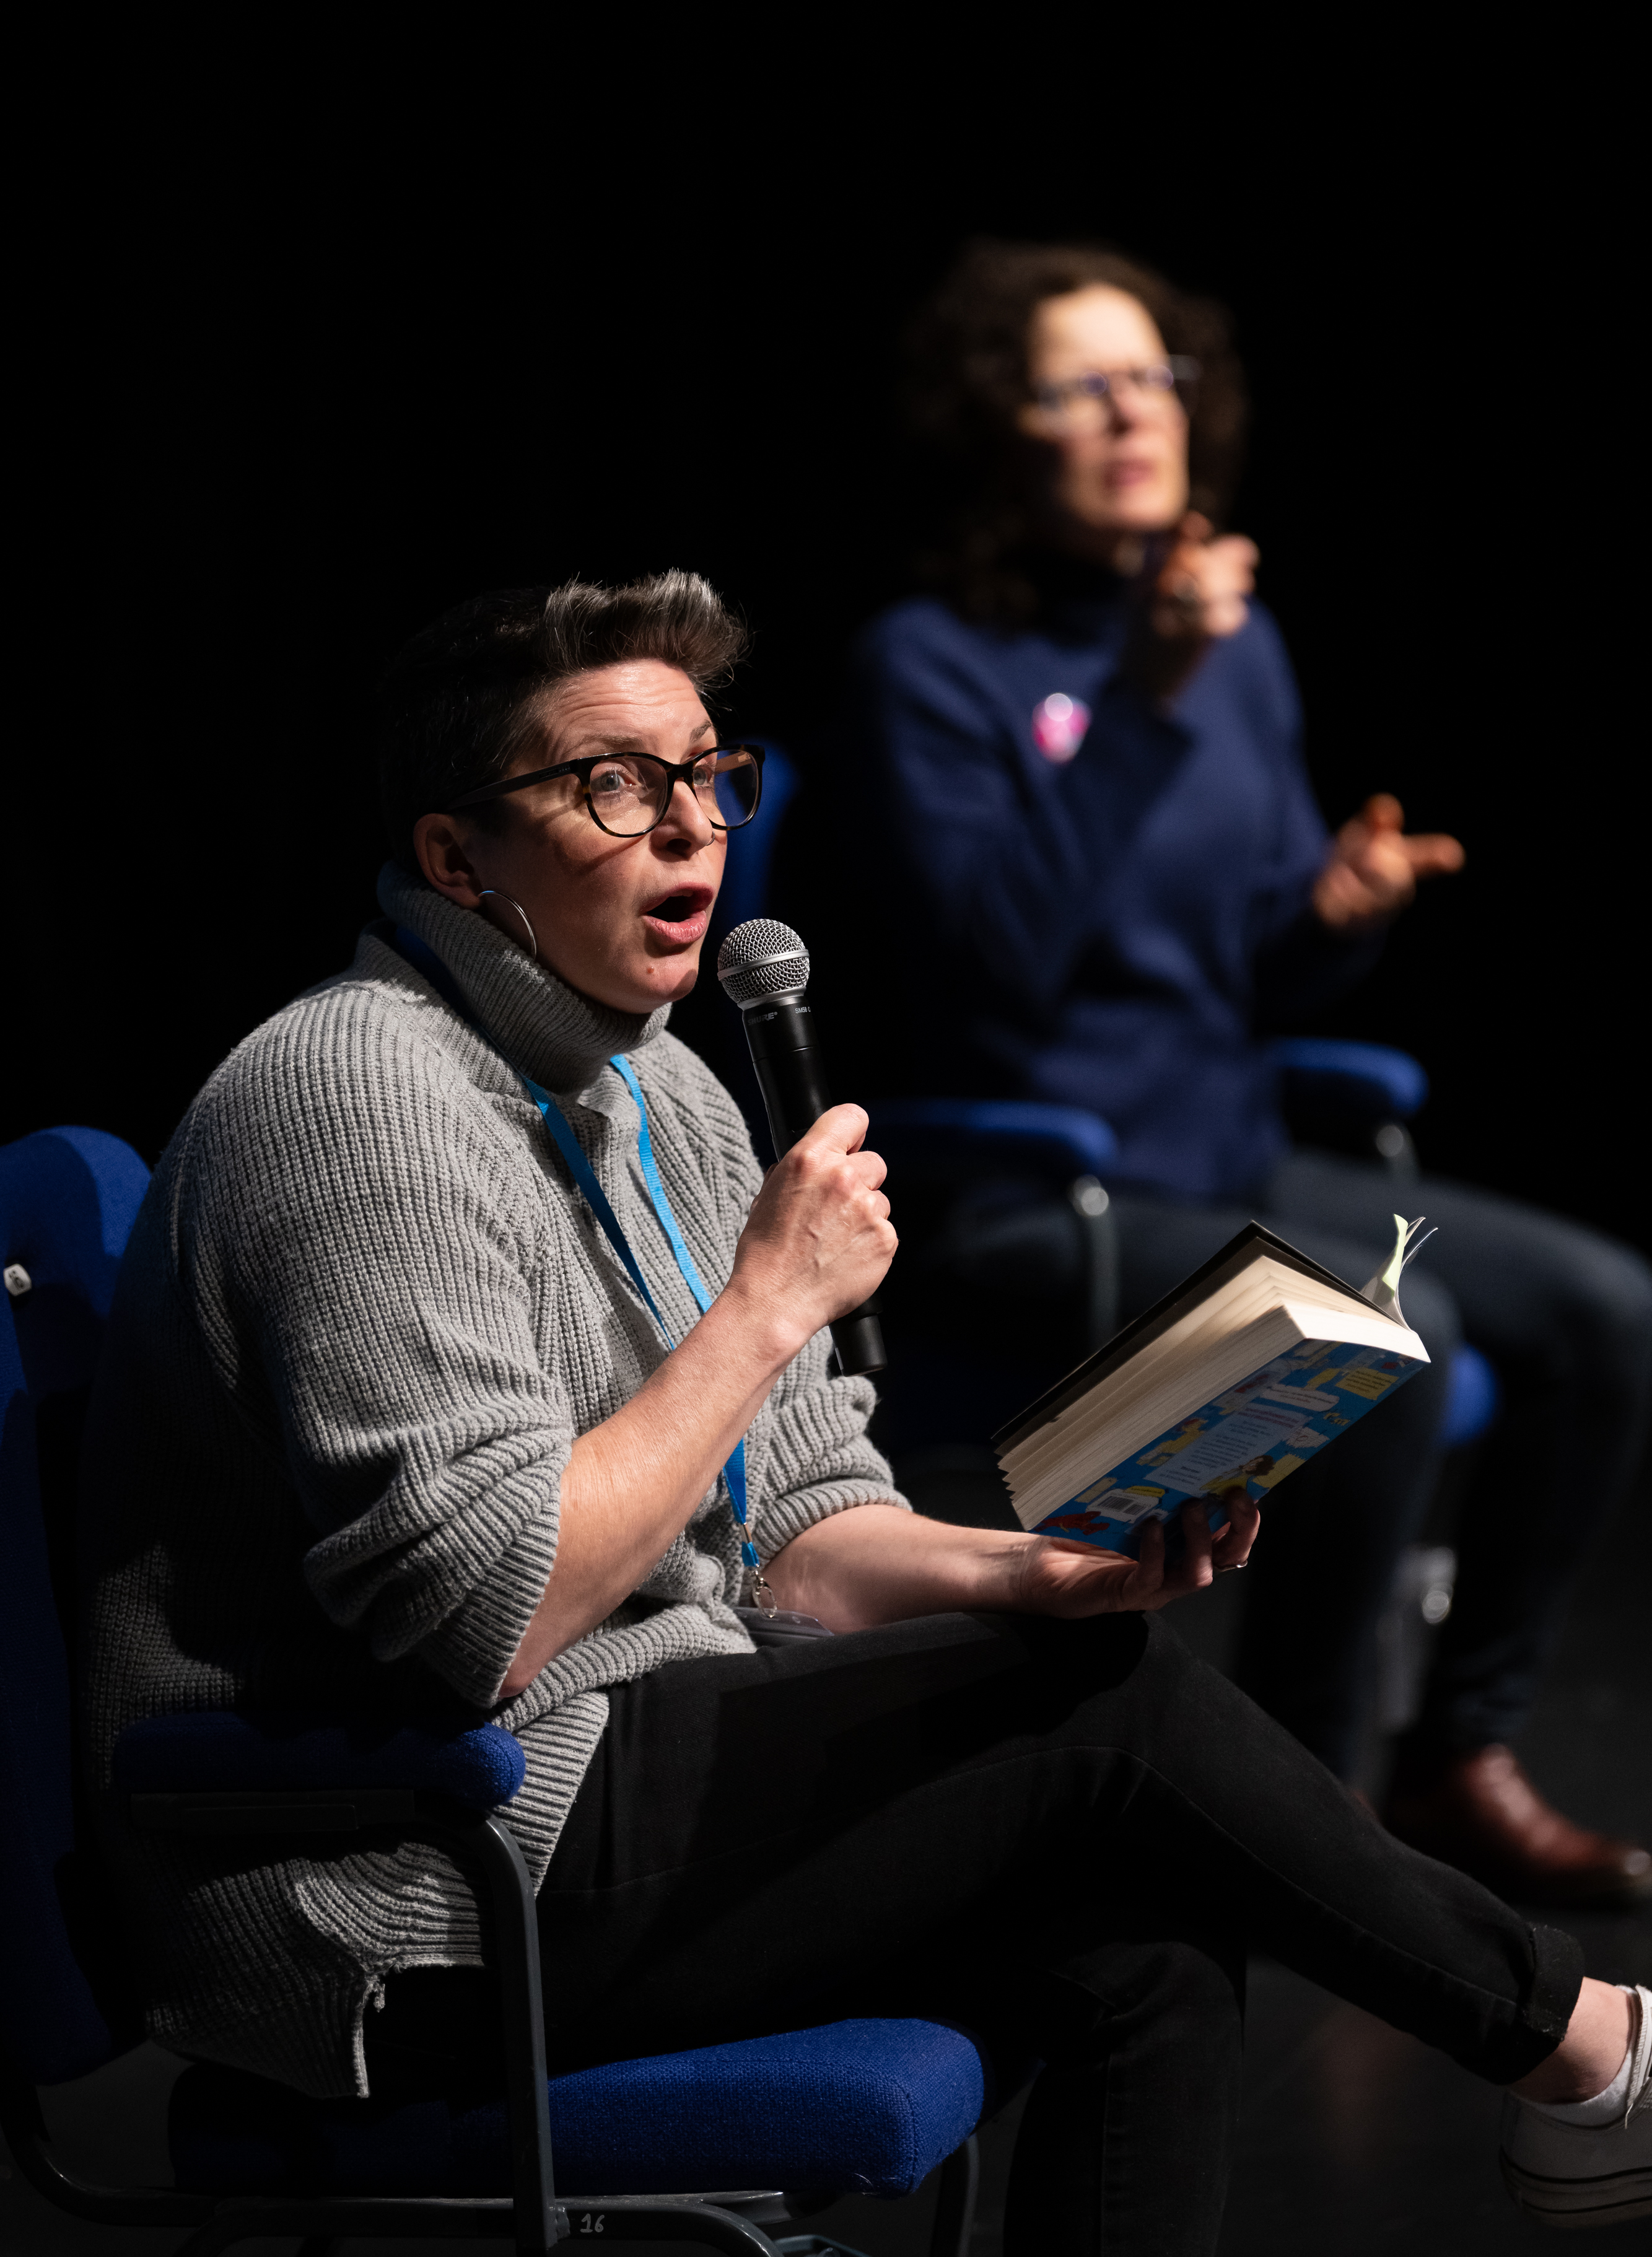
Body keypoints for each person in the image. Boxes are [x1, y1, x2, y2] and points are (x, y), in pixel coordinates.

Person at [79, 577, 1650, 2247]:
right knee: (1103, 1717)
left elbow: (799, 1531)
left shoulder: (656, 1079)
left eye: (704, 774)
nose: (691, 829)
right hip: (401, 1893)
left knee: (1139, 1943)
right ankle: (1586, 2051)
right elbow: (497, 1614)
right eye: (615, 785)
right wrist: (765, 1306)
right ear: (462, 860)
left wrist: (1024, 1576)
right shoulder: (358, 1101)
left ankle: (1582, 2075)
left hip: (617, 1788)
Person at [808, 240, 1652, 1905]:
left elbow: (1244, 957)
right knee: (1393, 1326)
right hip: (1033, 1189)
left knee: (1606, 1305)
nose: (1137, 414)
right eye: (1082, 387)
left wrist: (1330, 913)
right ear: (998, 430)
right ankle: (1296, 1821)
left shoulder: (1225, 647)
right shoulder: (927, 669)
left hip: (1226, 1153)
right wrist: (1140, 701)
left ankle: (1448, 1757)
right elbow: (993, 958)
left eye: (1156, 378)